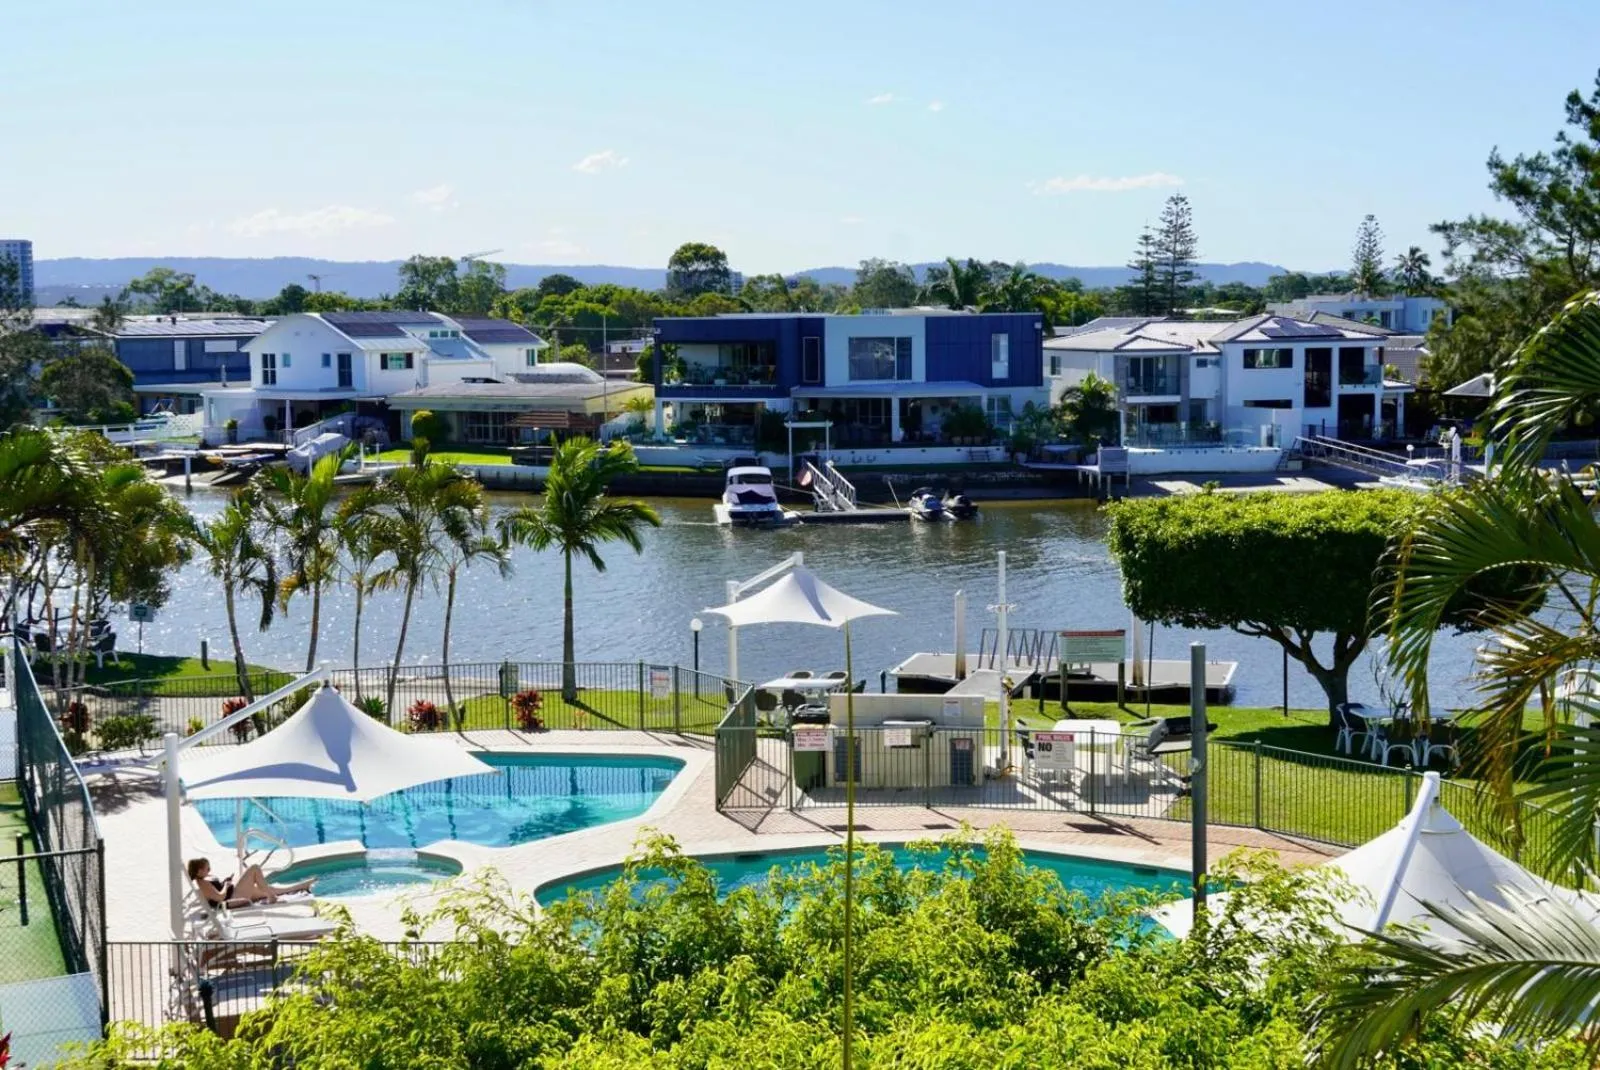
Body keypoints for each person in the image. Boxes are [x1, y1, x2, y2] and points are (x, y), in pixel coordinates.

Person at [186, 857, 315, 910]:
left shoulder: (203, 878)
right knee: (254, 868)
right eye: (207, 869)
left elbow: (217, 889)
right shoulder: (202, 883)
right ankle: (272, 898)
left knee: (265, 888)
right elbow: (220, 897)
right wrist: (226, 885)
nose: (210, 870)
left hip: (233, 894)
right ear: (199, 871)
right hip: (230, 900)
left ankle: (300, 886)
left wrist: (226, 881)